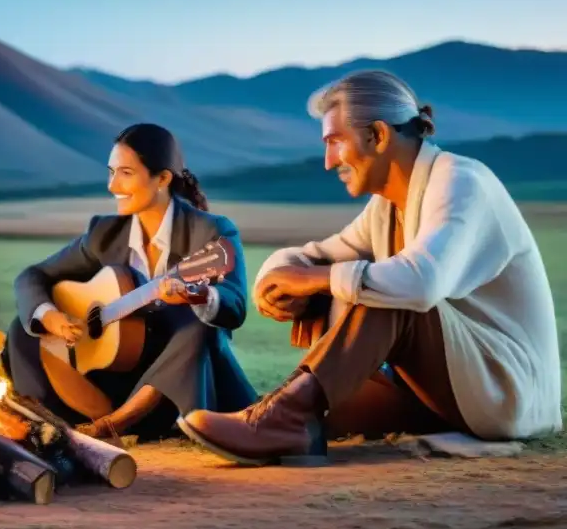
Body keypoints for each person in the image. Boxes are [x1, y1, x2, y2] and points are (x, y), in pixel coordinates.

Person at [179, 69, 562, 464]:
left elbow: (420, 283)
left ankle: (287, 421)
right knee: (343, 294)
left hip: (504, 393)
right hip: (438, 393)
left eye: (335, 142)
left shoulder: (461, 181)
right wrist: (279, 282)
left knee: (387, 288)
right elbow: (315, 255)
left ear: (378, 135)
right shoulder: (385, 208)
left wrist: (314, 279)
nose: (328, 162)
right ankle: (287, 420)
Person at [3, 123, 258, 440]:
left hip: (174, 389)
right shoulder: (104, 233)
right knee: (23, 327)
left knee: (197, 324)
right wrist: (50, 317)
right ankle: (46, 426)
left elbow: (234, 305)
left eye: (125, 173)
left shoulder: (210, 232)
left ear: (163, 178)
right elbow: (32, 276)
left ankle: (118, 423)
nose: (112, 186)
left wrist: (199, 296)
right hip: (112, 382)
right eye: (110, 172)